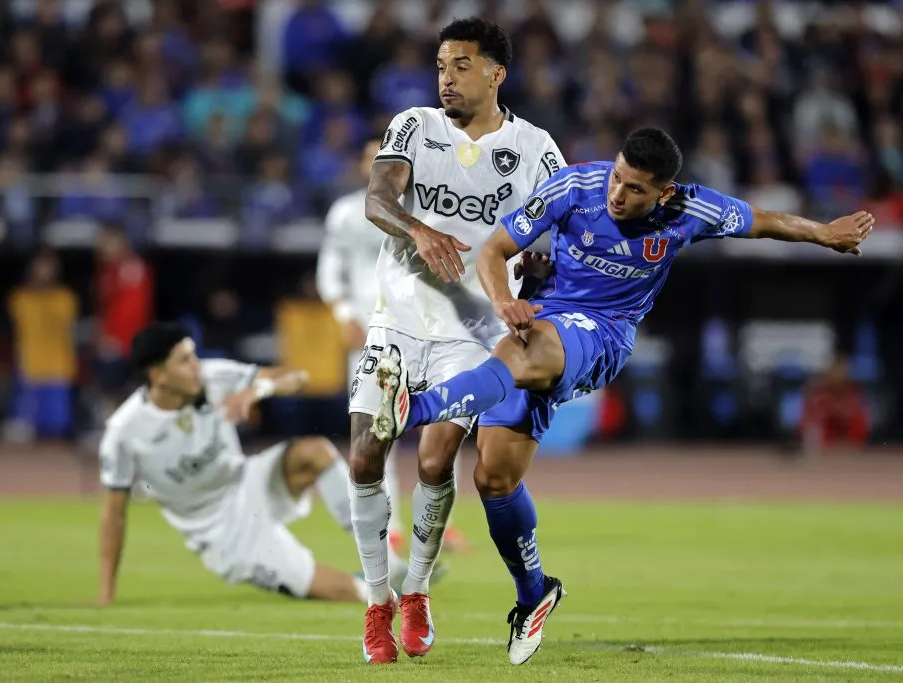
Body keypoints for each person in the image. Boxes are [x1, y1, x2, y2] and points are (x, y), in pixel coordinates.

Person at [370, 127, 876, 665]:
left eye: (635, 189)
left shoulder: (689, 210)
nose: (617, 194)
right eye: (617, 177)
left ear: (663, 192)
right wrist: (505, 301)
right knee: (493, 477)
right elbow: (495, 249)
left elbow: (766, 221)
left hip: (602, 334)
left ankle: (411, 409)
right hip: (540, 318)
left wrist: (825, 233)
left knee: (517, 354)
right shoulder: (574, 187)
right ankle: (534, 591)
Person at [348, 17, 565, 664]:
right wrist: (418, 230)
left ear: (497, 72)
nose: (446, 76)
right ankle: (376, 601)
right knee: (364, 455)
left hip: (474, 333)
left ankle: (416, 592)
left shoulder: (535, 148)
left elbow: (560, 229)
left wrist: (543, 277)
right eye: (441, 65)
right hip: (398, 317)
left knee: (438, 463)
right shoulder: (414, 125)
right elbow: (376, 199)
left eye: (461, 64)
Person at [97, 322, 412, 604]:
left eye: (193, 355)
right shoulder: (124, 431)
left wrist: (257, 389)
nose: (196, 366)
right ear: (157, 374)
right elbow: (114, 513)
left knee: (315, 452)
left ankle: (390, 565)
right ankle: (381, 595)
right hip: (222, 533)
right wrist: (107, 591)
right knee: (341, 592)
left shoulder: (211, 377)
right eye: (184, 360)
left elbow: (297, 377)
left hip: (248, 481)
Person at [317, 137, 467, 556]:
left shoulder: (428, 208)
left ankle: (441, 523)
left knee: (443, 423)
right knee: (377, 428)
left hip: (428, 326)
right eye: (370, 159)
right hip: (371, 331)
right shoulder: (348, 212)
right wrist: (343, 313)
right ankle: (392, 525)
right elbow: (330, 268)